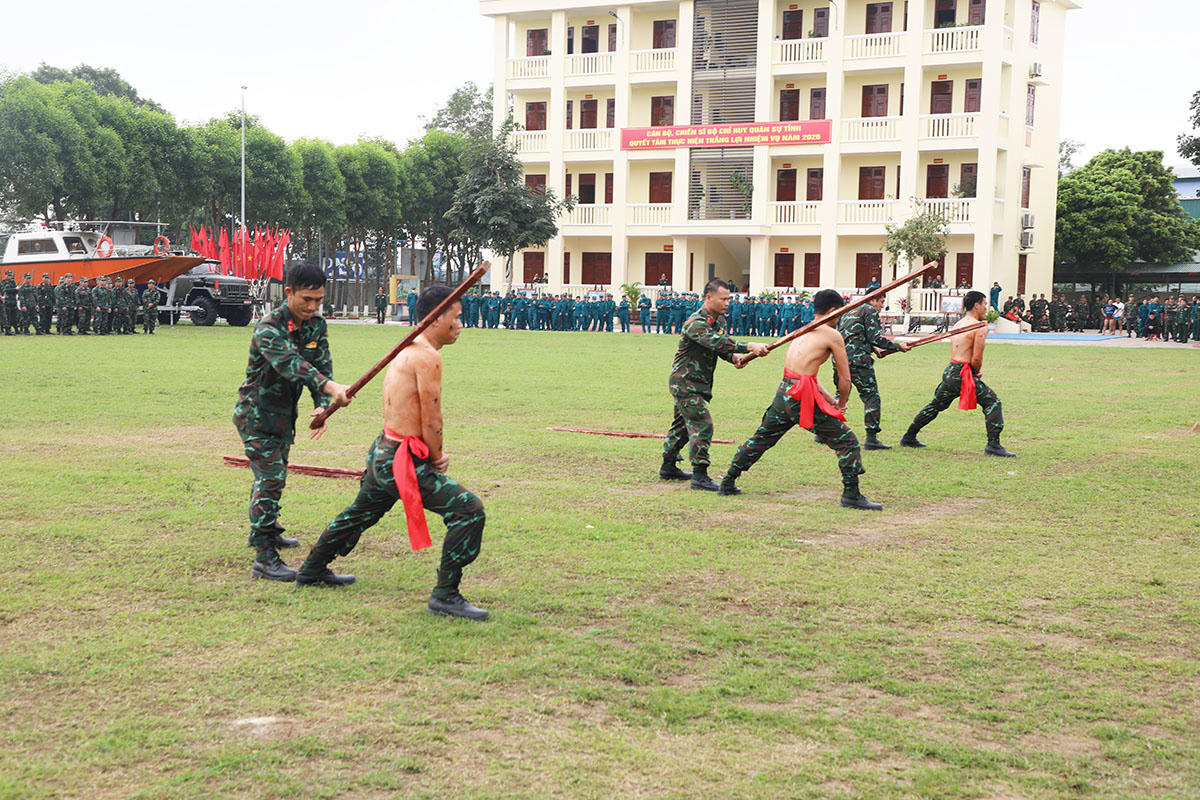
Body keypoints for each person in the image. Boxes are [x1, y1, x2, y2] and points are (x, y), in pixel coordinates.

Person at [296, 285, 489, 621]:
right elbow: (431, 417)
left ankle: (312, 568)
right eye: (456, 318)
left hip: (384, 451)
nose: (460, 325)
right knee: (469, 510)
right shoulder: (426, 356)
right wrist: (437, 456)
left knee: (360, 513)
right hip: (401, 459)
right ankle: (445, 596)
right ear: (436, 318)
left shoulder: (409, 348)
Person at [232, 262, 352, 581]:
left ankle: (265, 530)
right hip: (255, 415)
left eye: (318, 300)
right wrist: (331, 389)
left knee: (272, 477)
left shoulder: (316, 325)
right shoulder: (268, 327)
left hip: (284, 416)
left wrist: (322, 407)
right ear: (289, 292)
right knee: (271, 479)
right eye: (306, 299)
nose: (312, 307)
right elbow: (291, 364)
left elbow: (321, 366)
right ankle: (264, 558)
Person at [718, 289, 881, 510]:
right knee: (847, 441)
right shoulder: (832, 335)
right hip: (800, 396)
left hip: (785, 391)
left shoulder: (801, 330)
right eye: (840, 312)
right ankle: (851, 495)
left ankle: (728, 481)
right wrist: (842, 403)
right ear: (833, 310)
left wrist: (829, 399)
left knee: (762, 437)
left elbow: (807, 373)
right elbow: (845, 378)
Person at [659, 279, 769, 491]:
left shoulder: (719, 322)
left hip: (699, 383)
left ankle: (668, 467)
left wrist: (734, 357)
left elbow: (721, 348)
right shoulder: (695, 323)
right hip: (685, 383)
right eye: (723, 299)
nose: (727, 303)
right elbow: (715, 341)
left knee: (682, 427)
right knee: (702, 423)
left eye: (729, 299)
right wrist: (749, 346)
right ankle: (700, 476)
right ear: (708, 297)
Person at [900, 291, 1014, 457]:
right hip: (962, 373)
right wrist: (976, 372)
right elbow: (976, 357)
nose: (986, 308)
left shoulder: (959, 324)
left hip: (951, 370)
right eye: (984, 304)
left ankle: (909, 436)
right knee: (993, 402)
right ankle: (993, 446)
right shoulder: (979, 327)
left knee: (936, 405)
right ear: (976, 305)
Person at [836, 295, 911, 449]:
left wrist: (874, 349)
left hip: (840, 359)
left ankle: (824, 431)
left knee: (841, 395)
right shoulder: (869, 309)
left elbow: (855, 335)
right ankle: (871, 438)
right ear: (872, 300)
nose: (882, 306)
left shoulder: (851, 310)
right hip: (858, 361)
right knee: (871, 397)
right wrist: (898, 347)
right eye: (881, 302)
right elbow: (875, 338)